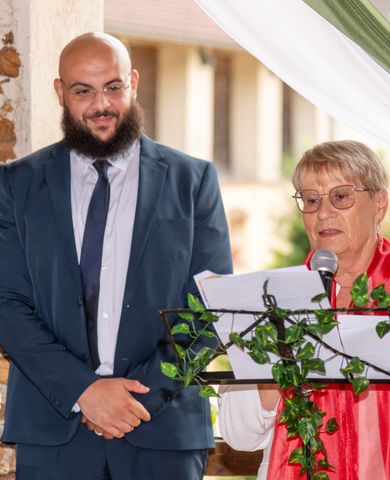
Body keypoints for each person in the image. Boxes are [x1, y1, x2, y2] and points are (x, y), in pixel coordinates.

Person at [0, 32, 232, 479]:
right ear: (59, 92)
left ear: (134, 83)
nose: (100, 104)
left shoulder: (193, 180)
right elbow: (6, 305)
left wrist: (133, 401)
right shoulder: (15, 185)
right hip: (55, 433)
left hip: (162, 429)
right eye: (82, 91)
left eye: (113, 86)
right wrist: (83, 390)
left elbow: (209, 311)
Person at [218, 140, 390, 479]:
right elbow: (239, 437)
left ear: (380, 204)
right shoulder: (273, 300)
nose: (323, 212)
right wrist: (274, 370)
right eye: (311, 200)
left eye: (341, 197)